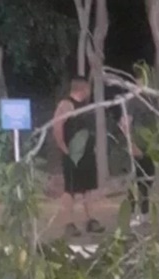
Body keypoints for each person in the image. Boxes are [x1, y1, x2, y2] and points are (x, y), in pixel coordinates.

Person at [53, 75, 105, 237]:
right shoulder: (66, 105)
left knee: (87, 189)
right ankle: (69, 223)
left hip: (87, 154)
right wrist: (64, 148)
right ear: (82, 88)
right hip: (72, 154)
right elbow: (57, 127)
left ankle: (90, 220)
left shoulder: (86, 106)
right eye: (88, 88)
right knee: (71, 189)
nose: (89, 91)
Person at [118, 74, 157, 227]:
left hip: (149, 148)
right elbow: (124, 123)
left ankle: (144, 213)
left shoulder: (150, 100)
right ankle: (132, 214)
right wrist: (131, 144)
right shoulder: (133, 101)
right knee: (135, 181)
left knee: (147, 180)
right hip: (137, 147)